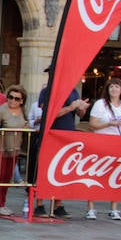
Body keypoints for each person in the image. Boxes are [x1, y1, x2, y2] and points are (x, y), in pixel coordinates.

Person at [33, 68, 89, 218]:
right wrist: (71, 107)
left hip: (66, 134)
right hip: (50, 133)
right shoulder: (47, 92)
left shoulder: (73, 91)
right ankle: (39, 204)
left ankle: (58, 204)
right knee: (45, 168)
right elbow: (48, 114)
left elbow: (79, 114)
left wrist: (81, 108)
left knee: (60, 169)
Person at [85, 78, 121, 221]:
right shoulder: (100, 104)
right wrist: (109, 123)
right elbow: (92, 125)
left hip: (118, 143)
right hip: (101, 142)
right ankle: (91, 208)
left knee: (115, 176)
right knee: (96, 175)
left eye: (117, 86)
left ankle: (114, 208)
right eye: (111, 86)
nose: (114, 89)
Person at [0, 85, 27, 217]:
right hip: (0, 148)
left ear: (22, 100)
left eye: (16, 98)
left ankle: (3, 203)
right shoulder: (2, 110)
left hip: (15, 149)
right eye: (10, 97)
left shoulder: (23, 110)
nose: (13, 100)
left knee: (7, 178)